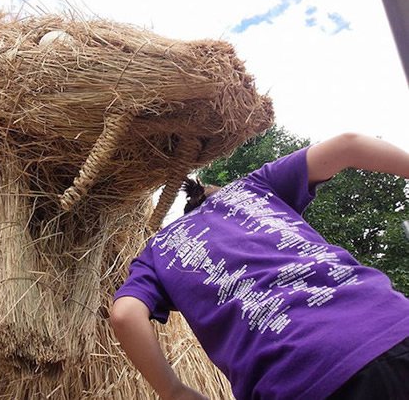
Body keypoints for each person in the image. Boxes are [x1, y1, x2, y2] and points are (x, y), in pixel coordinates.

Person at [110, 133, 409, 400]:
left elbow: (125, 314)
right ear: (220, 192)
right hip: (391, 325)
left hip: (295, 380)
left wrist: (172, 391)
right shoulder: (254, 187)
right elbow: (349, 144)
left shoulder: (157, 250)